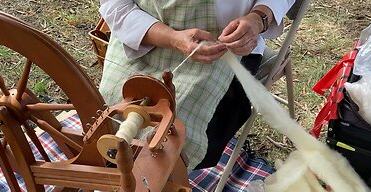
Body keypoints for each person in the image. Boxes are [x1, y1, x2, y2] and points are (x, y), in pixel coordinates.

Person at [98, 0, 295, 170]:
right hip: (144, 36)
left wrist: (258, 18)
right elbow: (115, 5)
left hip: (223, 49)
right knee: (104, 111)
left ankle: (138, 189)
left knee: (176, 134)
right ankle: (123, 179)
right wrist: (173, 38)